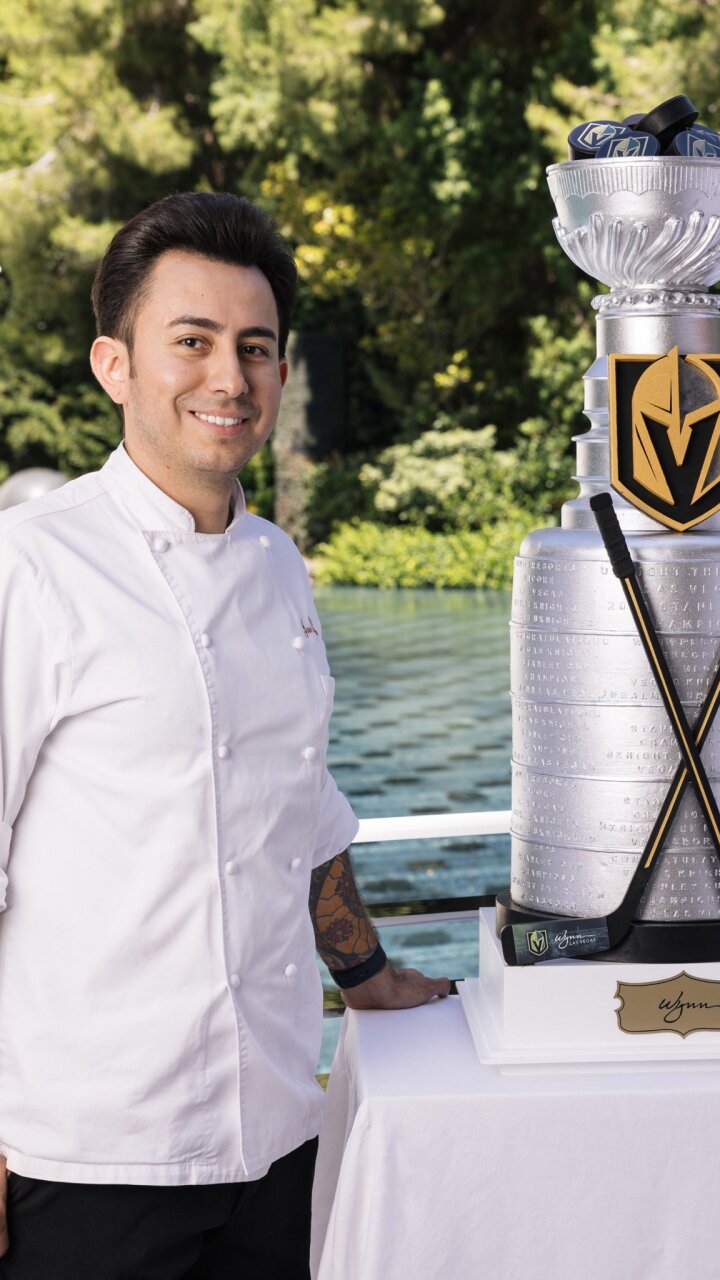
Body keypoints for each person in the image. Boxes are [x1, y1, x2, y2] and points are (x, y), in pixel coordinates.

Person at [0, 191, 450, 1279]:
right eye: (190, 342)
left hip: (272, 1133)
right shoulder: (32, 564)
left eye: (255, 348)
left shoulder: (277, 566)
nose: (228, 378)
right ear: (115, 363)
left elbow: (300, 807)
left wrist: (370, 976)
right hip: (89, 1159)